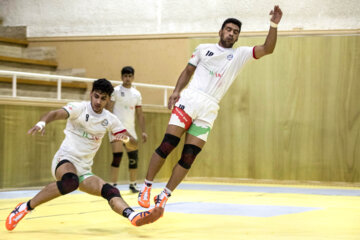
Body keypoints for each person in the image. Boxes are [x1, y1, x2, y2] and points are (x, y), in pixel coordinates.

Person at [138, 6, 283, 210]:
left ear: (237, 37)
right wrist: (176, 91)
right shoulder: (201, 48)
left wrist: (274, 24)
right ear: (220, 31)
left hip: (210, 108)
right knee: (168, 144)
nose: (231, 33)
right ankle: (147, 186)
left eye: (235, 31)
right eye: (228, 29)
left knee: (189, 156)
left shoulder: (240, 54)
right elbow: (187, 71)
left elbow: (268, 48)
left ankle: (164, 195)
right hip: (189, 100)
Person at [5, 78, 163, 231]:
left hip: (84, 170)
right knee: (70, 182)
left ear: (108, 100)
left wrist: (126, 138)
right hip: (64, 160)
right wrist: (42, 123)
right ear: (91, 94)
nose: (98, 102)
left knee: (110, 191)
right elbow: (54, 114)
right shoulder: (79, 108)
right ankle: (24, 207)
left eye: (103, 98)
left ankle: (133, 216)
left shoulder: (111, 120)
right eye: (96, 96)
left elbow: (133, 144)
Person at [107, 66, 147, 193]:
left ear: (133, 78)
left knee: (133, 157)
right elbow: (109, 108)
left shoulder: (137, 94)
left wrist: (143, 131)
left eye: (130, 76)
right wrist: (108, 126)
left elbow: (140, 114)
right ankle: (113, 185)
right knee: (117, 156)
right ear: (122, 77)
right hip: (117, 129)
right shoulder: (116, 91)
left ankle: (133, 184)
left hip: (131, 130)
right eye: (125, 76)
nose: (127, 78)